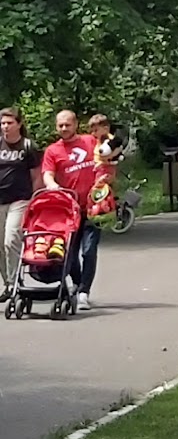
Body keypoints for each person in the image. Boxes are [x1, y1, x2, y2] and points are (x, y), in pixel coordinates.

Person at [40, 109, 109, 309]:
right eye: (60, 125)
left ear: (76, 124)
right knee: (69, 253)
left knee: (89, 250)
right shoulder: (53, 150)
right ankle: (78, 284)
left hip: (94, 206)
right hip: (69, 209)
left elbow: (109, 157)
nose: (63, 128)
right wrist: (51, 185)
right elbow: (47, 174)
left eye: (67, 125)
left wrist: (107, 177)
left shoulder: (90, 141)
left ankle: (84, 292)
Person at [0, 107, 40, 301]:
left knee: (11, 239)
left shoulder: (27, 146)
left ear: (19, 124)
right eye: (3, 123)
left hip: (20, 200)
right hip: (0, 201)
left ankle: (16, 284)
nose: (6, 127)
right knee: (0, 244)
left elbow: (36, 176)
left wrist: (34, 200)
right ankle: (9, 284)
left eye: (9, 123)